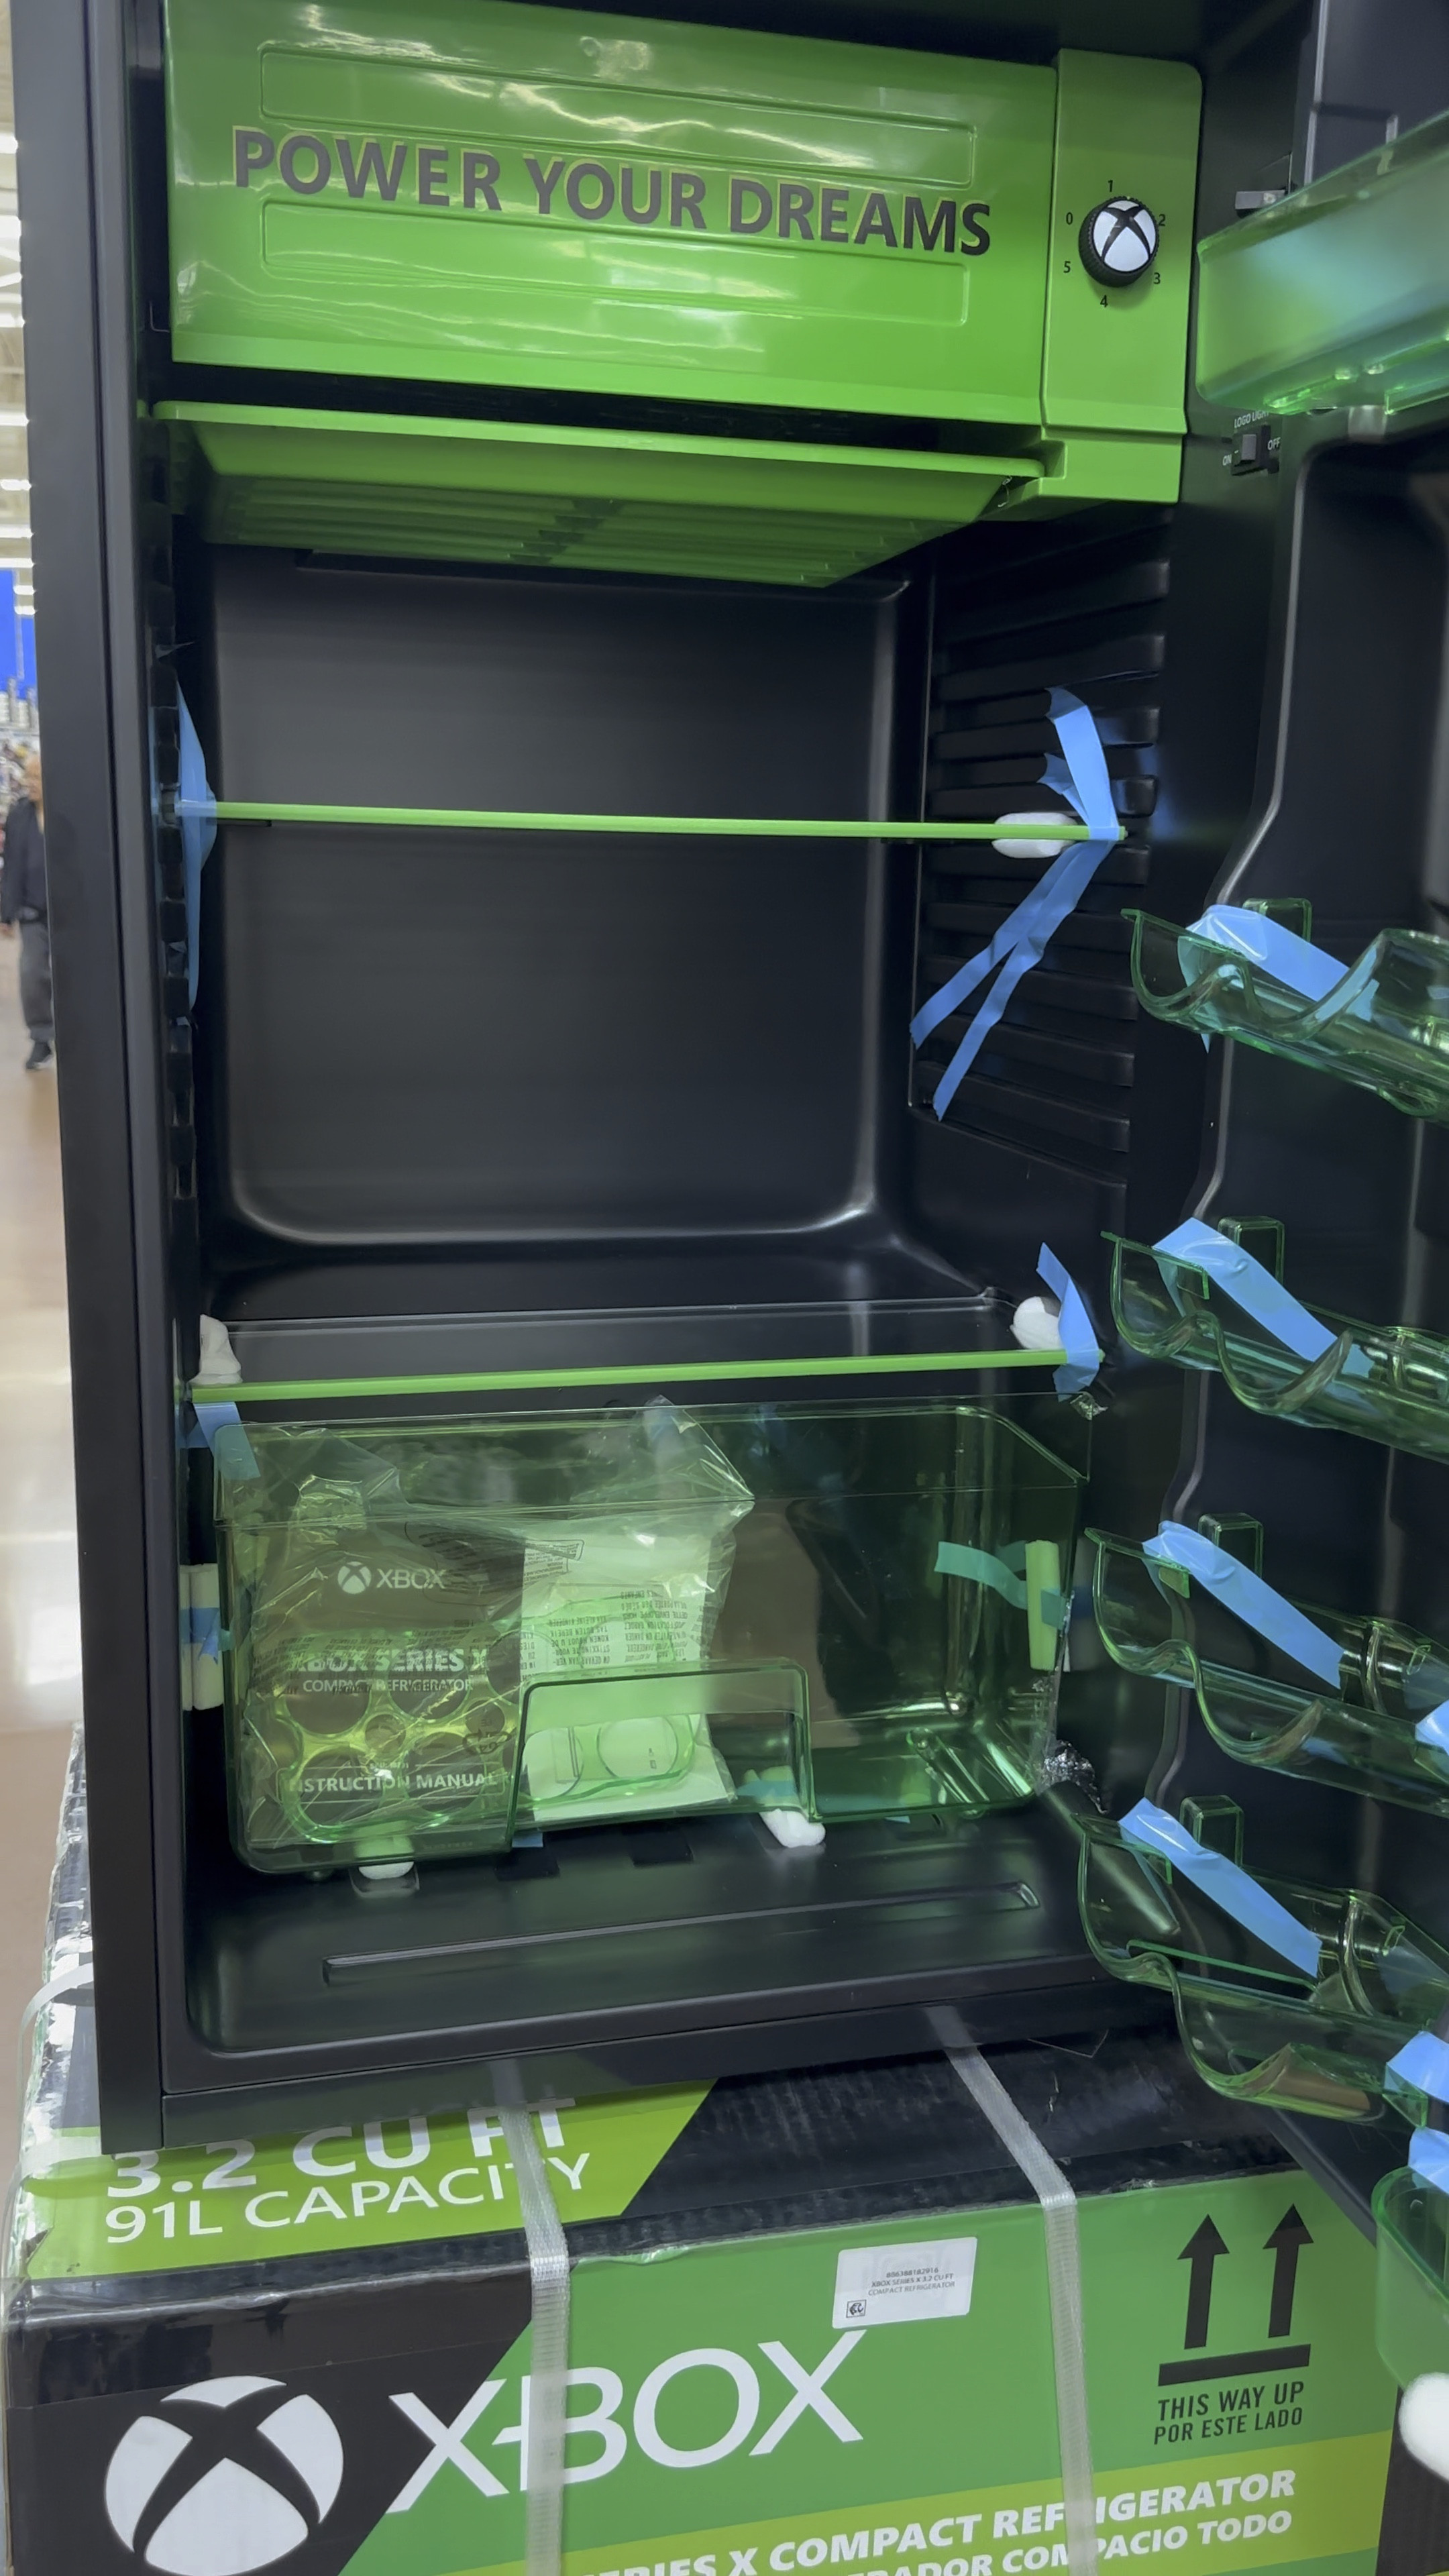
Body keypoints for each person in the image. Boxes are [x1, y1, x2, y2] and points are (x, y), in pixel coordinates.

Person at [0, 752, 52, 1068]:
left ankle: (81, 1034)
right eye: (28, 777)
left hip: (70, 911)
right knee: (32, 973)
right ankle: (41, 1037)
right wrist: (6, 914)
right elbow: (12, 867)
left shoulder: (67, 811)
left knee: (74, 975)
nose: (29, 783)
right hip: (32, 910)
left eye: (36, 778)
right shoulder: (19, 815)